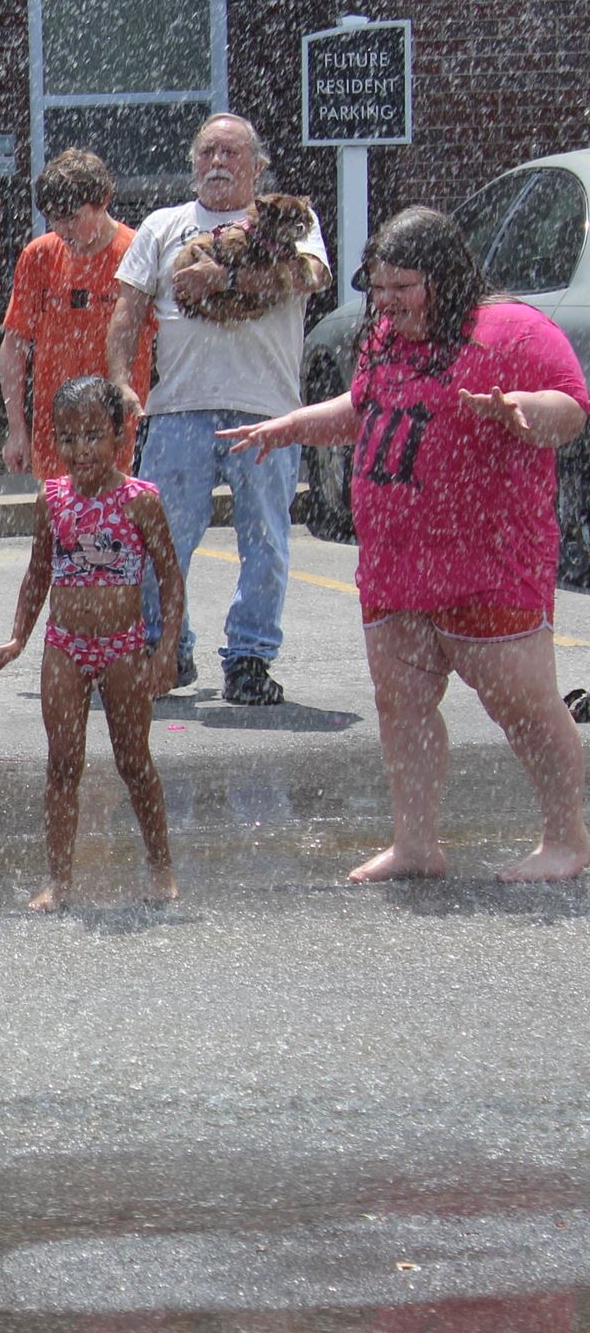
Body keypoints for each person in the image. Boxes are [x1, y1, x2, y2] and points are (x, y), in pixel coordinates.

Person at [220, 207, 590, 884]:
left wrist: (521, 412)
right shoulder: (384, 337)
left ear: (445, 277)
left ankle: (567, 839)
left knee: (525, 709)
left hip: (489, 563)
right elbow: (367, 411)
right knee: (402, 708)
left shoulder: (512, 332)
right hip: (396, 564)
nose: (386, 302)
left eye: (403, 287)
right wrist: (293, 427)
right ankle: (416, 845)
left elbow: (570, 408)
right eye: (378, 287)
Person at [106, 114, 331, 706]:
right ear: (192, 163)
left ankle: (250, 658)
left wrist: (225, 273)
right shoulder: (163, 226)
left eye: (231, 152)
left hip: (267, 412)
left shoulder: (290, 222)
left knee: (266, 539)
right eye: (206, 152)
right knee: (160, 539)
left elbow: (308, 277)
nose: (217, 163)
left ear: (257, 168)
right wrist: (118, 381)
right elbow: (127, 310)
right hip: (179, 408)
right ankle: (163, 651)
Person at [0, 377, 185, 912]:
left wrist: (165, 652)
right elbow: (38, 573)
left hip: (122, 645)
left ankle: (161, 867)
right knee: (63, 764)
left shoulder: (141, 502)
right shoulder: (52, 499)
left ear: (120, 434)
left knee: (133, 760)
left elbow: (170, 578)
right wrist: (18, 637)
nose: (80, 450)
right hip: (65, 646)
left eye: (94, 435)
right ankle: (60, 881)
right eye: (67, 438)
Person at [0, 149, 152, 478]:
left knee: (118, 523)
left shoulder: (137, 253)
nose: (62, 229)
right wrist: (16, 429)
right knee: (59, 522)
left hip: (118, 430)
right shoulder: (38, 256)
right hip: (58, 430)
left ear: (104, 200)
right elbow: (14, 345)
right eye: (54, 218)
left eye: (72, 217)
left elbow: (169, 342)